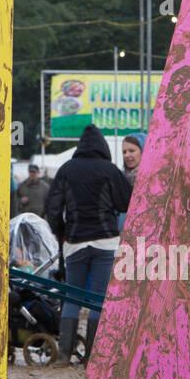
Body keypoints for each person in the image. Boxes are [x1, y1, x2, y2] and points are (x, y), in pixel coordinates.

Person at [45, 124, 131, 364]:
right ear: (103, 147)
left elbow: (52, 208)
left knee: (72, 296)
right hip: (105, 242)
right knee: (97, 298)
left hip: (74, 242)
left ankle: (63, 355)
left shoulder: (67, 169)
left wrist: (61, 232)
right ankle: (92, 356)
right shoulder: (110, 170)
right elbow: (126, 203)